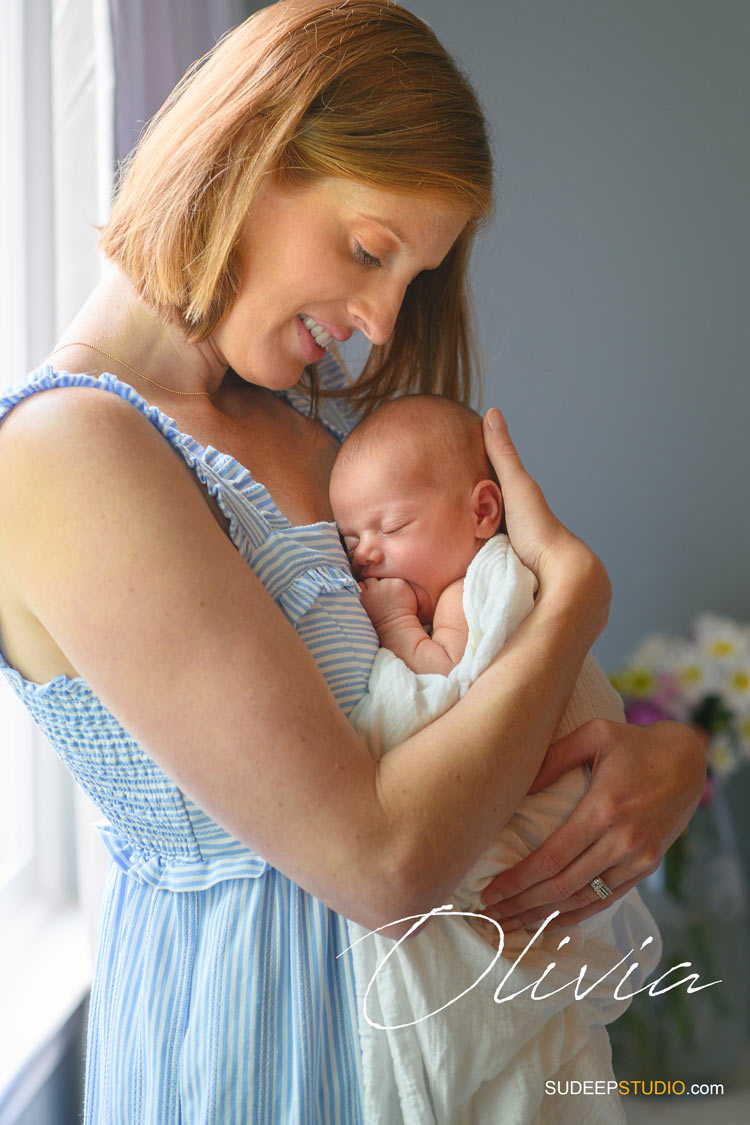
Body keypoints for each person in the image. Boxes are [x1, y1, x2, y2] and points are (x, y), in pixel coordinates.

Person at [0, 2, 705, 1121]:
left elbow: (477, 699)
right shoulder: (65, 454)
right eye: (371, 250)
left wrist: (654, 762)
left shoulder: (323, 452)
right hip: (256, 1058)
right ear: (248, 154)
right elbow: (384, 863)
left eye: (409, 282)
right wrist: (579, 597)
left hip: (458, 1052)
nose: (380, 326)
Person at [329, 393, 660, 1123]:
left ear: (484, 513)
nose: (365, 555)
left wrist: (390, 622)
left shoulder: (475, 590)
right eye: (351, 536)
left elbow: (439, 691)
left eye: (389, 526)